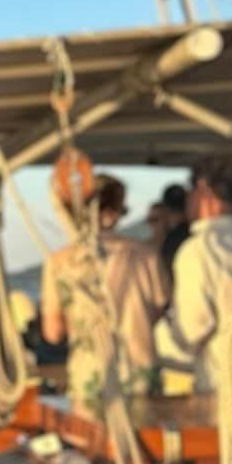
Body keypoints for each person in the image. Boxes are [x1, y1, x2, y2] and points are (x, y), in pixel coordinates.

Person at [40, 173, 169, 416]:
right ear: (117, 211)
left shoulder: (59, 263)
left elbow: (53, 332)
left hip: (90, 375)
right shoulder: (147, 256)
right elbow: (158, 310)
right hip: (141, 370)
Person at [160, 154, 232, 393]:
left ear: (203, 191)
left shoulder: (200, 250)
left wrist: (154, 338)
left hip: (230, 390)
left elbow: (190, 330)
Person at [147, 182, 191, 280]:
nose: (151, 224)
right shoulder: (196, 237)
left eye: (155, 219)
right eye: (150, 220)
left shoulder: (172, 241)